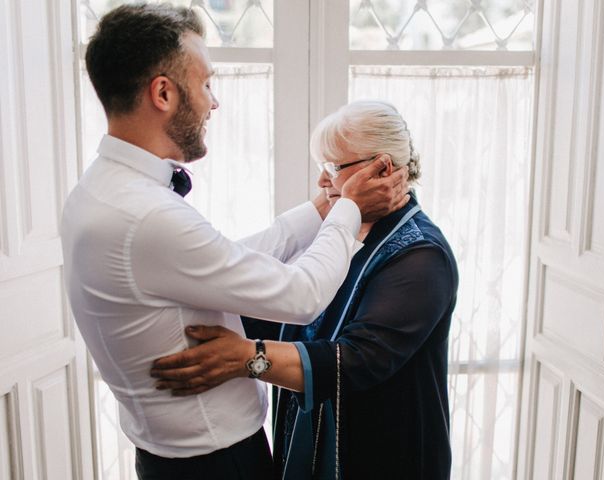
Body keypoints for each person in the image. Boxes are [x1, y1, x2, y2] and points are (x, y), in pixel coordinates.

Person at [60, 5, 409, 480]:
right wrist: (349, 207)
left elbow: (219, 260)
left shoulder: (99, 191)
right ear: (162, 92)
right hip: (216, 465)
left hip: (170, 456)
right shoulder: (147, 216)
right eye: (205, 84)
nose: (213, 102)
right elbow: (301, 296)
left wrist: (320, 212)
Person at [151, 100, 459, 479]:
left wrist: (246, 358)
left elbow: (360, 359)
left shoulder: (421, 256)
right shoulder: (337, 234)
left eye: (333, 167)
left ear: (382, 168)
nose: (321, 181)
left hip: (384, 454)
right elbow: (266, 296)